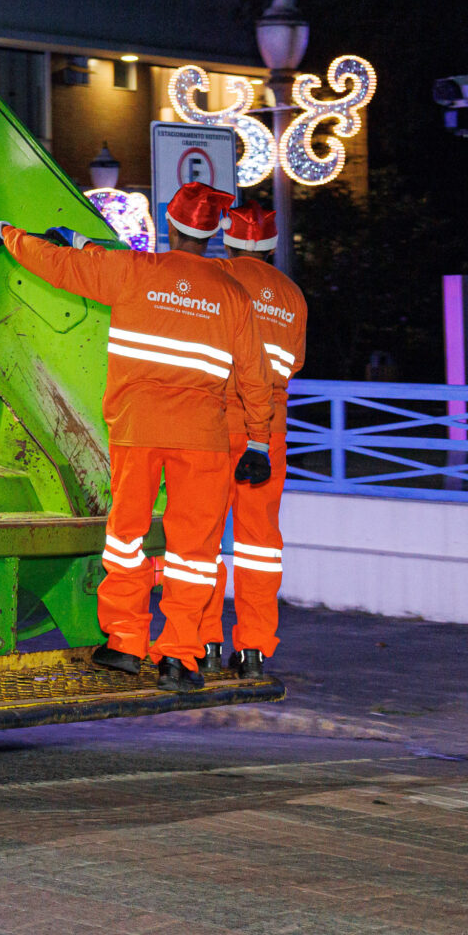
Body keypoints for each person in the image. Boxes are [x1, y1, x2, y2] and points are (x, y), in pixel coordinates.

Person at [0, 183, 276, 691]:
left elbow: (60, 267)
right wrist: (257, 441)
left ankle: (123, 642)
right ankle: (181, 657)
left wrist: (7, 235)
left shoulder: (136, 272)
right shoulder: (234, 297)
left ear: (171, 225)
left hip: (136, 432)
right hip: (202, 439)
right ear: (212, 236)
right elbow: (256, 376)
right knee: (194, 550)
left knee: (126, 537)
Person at [201, 201, 305, 678]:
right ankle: (255, 651)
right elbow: (293, 366)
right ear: (272, 244)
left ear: (229, 238)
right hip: (271, 434)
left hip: (217, 424)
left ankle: (204, 643)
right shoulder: (292, 297)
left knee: (201, 537)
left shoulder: (217, 277)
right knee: (260, 543)